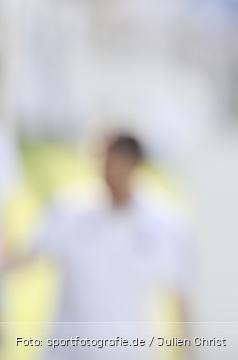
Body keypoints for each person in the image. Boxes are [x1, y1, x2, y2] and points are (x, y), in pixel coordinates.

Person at [0, 133, 190, 360]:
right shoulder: (71, 210)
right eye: (104, 161)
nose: (108, 170)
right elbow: (22, 259)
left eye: (116, 162)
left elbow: (181, 296)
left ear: (134, 164)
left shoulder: (162, 223)